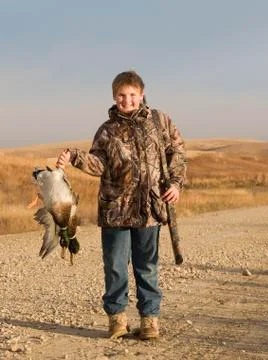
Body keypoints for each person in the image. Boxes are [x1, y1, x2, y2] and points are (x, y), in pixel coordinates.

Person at [56, 70, 187, 340]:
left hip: (150, 211)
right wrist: (75, 156)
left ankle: (149, 321)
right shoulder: (106, 131)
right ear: (114, 97)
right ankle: (117, 320)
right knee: (115, 266)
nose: (127, 100)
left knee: (147, 267)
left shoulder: (160, 121)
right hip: (114, 211)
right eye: (121, 96)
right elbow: (98, 165)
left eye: (132, 95)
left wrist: (175, 184)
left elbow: (177, 151)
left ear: (141, 94)